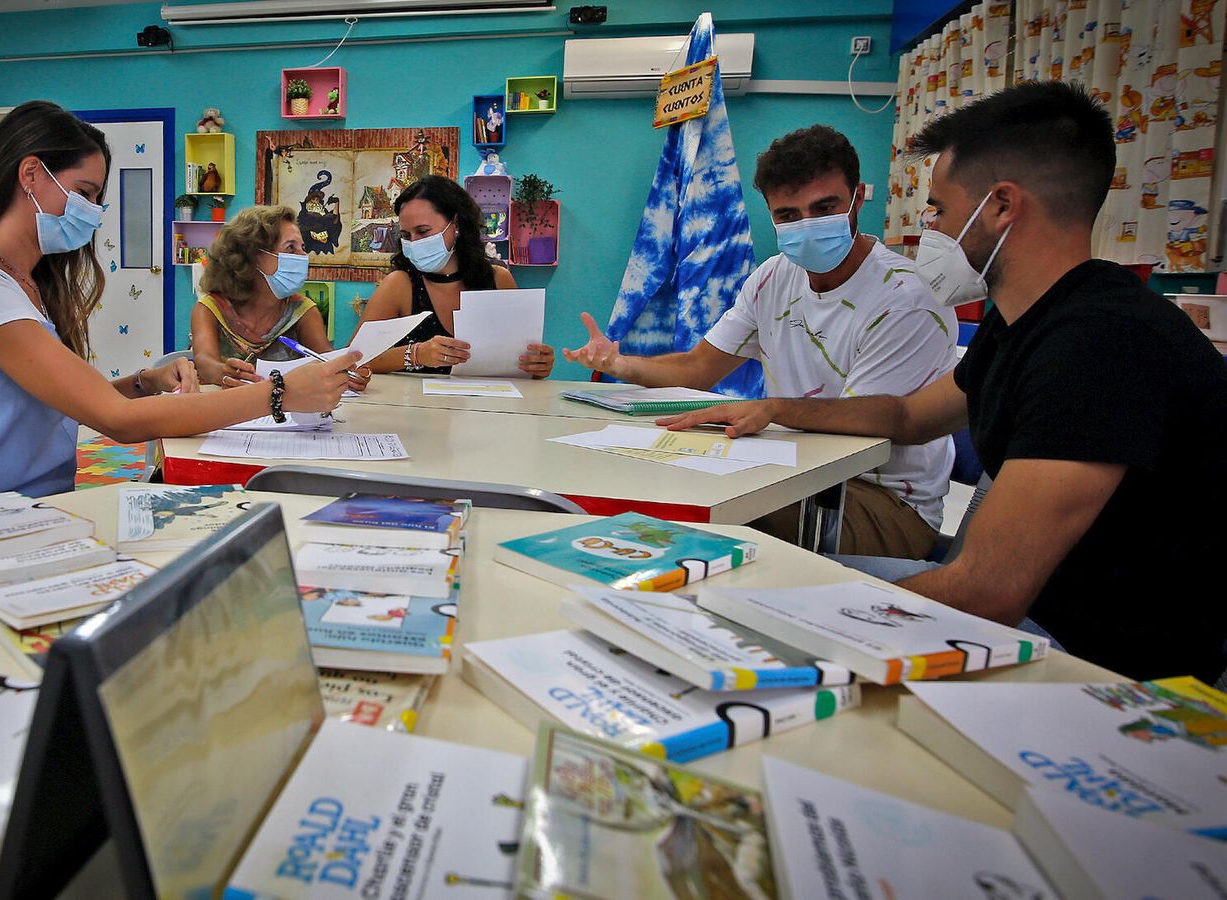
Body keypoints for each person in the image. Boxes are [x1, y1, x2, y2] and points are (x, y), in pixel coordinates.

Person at [662, 81, 1227, 683]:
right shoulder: (1027, 324)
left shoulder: (1099, 344)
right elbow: (906, 417)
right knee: (723, 577)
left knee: (725, 597)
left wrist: (794, 625)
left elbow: (987, 592)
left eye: (940, 210)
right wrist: (773, 407)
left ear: (1002, 207)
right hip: (1028, 612)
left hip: (1101, 662)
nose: (931, 228)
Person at [0, 101, 354, 508]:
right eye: (85, 193)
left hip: (19, 506)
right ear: (30, 175)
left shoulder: (21, 282)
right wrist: (279, 393)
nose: (92, 210)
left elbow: (59, 399)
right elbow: (118, 422)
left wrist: (144, 382)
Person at [565, 125, 957, 560]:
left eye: (824, 208)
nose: (807, 226)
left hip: (883, 502)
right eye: (788, 215)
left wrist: (772, 409)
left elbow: (865, 427)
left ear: (857, 200)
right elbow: (699, 368)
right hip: (797, 469)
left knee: (689, 514)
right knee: (646, 483)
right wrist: (620, 363)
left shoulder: (905, 299)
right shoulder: (773, 277)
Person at [358, 175, 554, 377]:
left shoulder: (498, 279)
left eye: (423, 231)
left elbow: (525, 363)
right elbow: (353, 359)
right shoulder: (399, 284)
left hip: (486, 406)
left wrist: (539, 365)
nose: (414, 243)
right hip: (413, 407)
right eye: (406, 236)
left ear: (456, 224)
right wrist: (414, 354)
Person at [190, 205, 370, 393]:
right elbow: (204, 362)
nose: (303, 257)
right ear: (253, 255)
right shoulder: (210, 309)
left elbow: (326, 358)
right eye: (291, 248)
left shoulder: (302, 310)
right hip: (221, 411)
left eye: (303, 248)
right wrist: (222, 372)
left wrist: (348, 372)